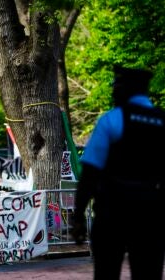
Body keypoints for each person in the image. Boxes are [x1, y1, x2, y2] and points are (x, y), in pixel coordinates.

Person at [72, 65, 165, 280]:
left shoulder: (111, 120)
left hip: (113, 212)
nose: (113, 91)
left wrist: (78, 217)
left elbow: (90, 172)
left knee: (106, 271)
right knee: (149, 273)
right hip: (152, 214)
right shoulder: (162, 121)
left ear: (127, 89)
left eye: (116, 86)